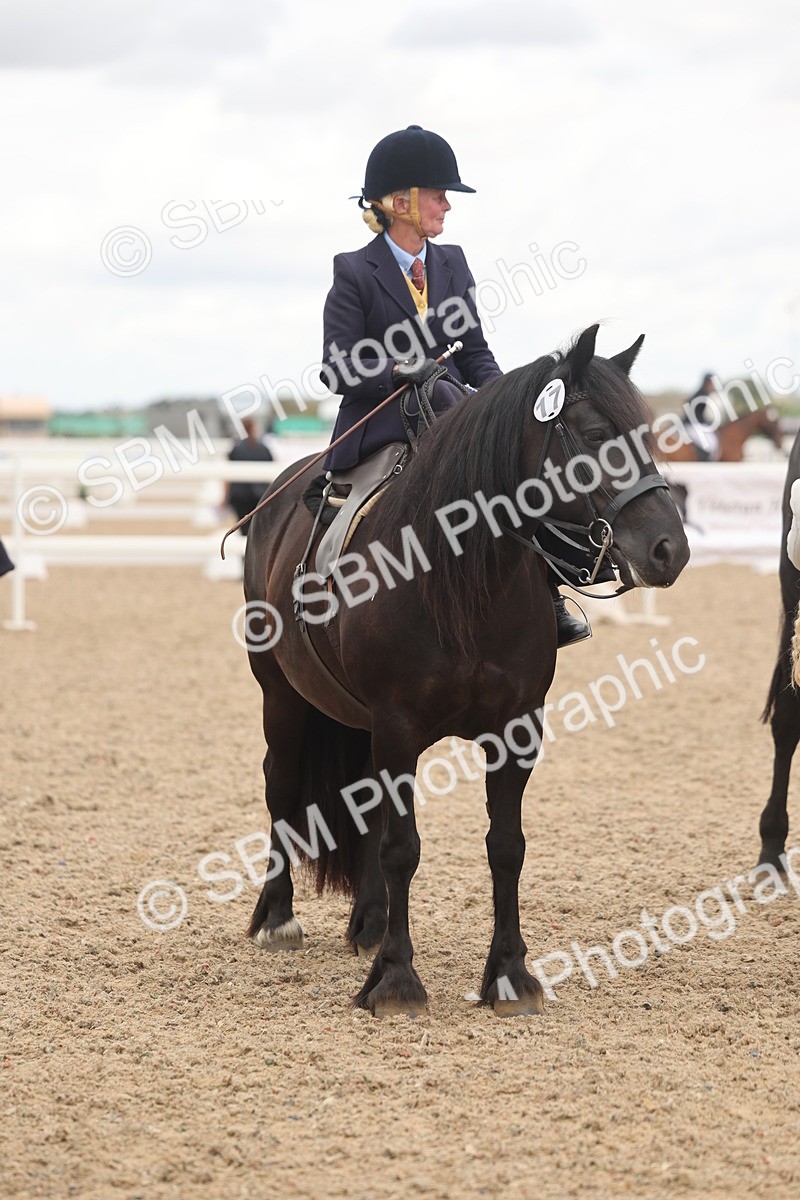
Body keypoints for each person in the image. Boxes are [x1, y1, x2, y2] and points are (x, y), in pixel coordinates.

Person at [319, 124, 590, 646]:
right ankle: (328, 585)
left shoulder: (453, 262)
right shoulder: (354, 271)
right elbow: (337, 367)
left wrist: (510, 401)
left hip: (448, 413)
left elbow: (474, 353)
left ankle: (550, 589)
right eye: (438, 195)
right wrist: (398, 370)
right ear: (400, 202)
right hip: (384, 421)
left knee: (524, 466)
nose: (447, 205)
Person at [225, 416, 274, 534]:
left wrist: (226, 496)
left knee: (243, 529)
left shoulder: (236, 449)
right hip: (260, 496)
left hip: (240, 496)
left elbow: (228, 474)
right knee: (259, 529)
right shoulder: (263, 449)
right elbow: (271, 472)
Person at [682, 372, 719, 461]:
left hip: (695, 423)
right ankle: (706, 461)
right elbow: (690, 409)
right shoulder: (701, 394)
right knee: (711, 443)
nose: (712, 385)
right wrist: (705, 422)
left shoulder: (703, 393)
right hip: (692, 425)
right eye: (711, 383)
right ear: (707, 382)